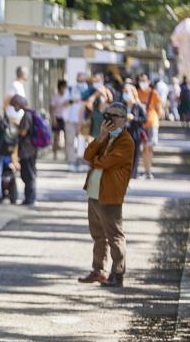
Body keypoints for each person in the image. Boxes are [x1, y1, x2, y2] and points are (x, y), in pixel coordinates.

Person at [78, 102, 134, 288]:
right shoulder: (105, 137)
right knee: (98, 235)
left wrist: (96, 160)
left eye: (116, 116)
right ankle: (99, 270)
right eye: (108, 115)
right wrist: (101, 135)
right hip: (94, 193)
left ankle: (117, 274)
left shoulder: (126, 141)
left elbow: (106, 162)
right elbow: (87, 155)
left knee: (114, 236)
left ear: (124, 120)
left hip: (109, 195)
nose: (111, 119)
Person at [10, 95, 37, 207]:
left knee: (28, 174)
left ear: (19, 103)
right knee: (29, 174)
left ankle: (30, 199)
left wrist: (16, 130)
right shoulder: (28, 114)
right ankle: (29, 198)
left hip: (27, 150)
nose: (14, 107)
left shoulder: (26, 115)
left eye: (14, 105)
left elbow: (23, 132)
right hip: (30, 149)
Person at [136, 73, 162, 180]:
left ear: (149, 81)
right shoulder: (137, 93)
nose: (142, 82)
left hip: (152, 123)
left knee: (149, 148)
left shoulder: (154, 93)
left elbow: (160, 111)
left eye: (144, 80)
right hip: (141, 124)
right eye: (140, 80)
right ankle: (146, 171)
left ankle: (148, 171)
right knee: (144, 148)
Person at [63, 73, 89, 172]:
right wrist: (73, 100)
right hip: (70, 120)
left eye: (82, 81)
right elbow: (64, 103)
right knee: (70, 142)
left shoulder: (89, 90)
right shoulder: (70, 89)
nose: (80, 83)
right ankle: (72, 163)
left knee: (84, 143)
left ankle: (83, 163)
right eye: (79, 81)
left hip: (84, 121)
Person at [122, 84, 147, 179]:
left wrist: (134, 118)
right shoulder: (122, 105)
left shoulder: (138, 106)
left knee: (135, 154)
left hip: (135, 132)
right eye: (124, 92)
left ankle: (133, 173)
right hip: (124, 133)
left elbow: (144, 119)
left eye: (127, 92)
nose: (125, 94)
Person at [50, 80, 66, 160]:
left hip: (65, 119)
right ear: (59, 88)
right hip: (57, 118)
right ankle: (55, 154)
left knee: (67, 137)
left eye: (65, 87)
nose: (64, 89)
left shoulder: (67, 96)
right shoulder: (55, 97)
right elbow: (52, 108)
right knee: (56, 137)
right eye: (62, 87)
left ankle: (67, 155)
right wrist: (53, 119)